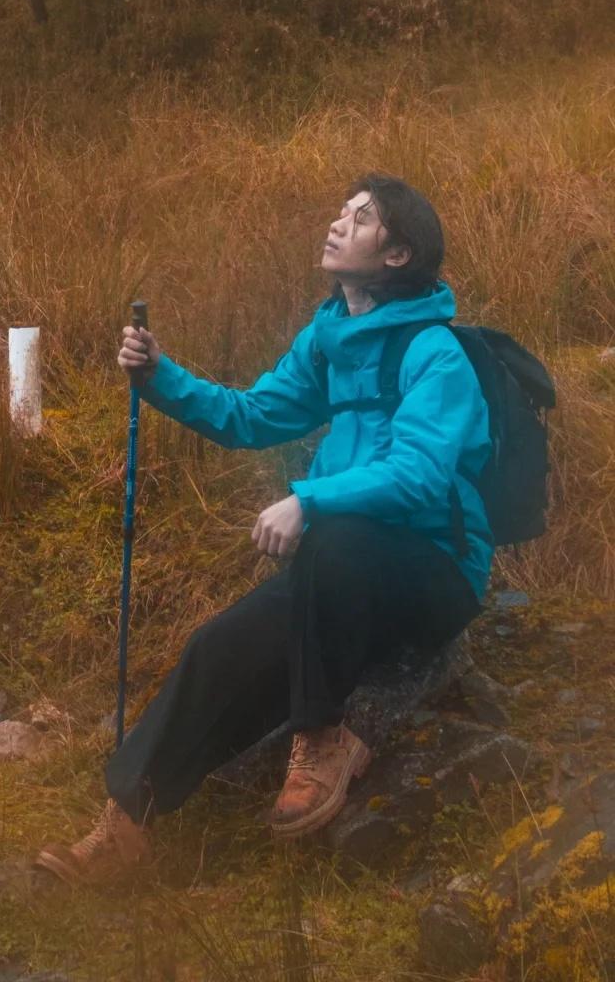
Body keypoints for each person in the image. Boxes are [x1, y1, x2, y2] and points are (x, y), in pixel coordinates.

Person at [34, 174, 492, 886]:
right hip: (339, 577)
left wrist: (308, 500)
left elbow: (420, 477)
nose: (338, 222)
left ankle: (321, 740)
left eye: (362, 218)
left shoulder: (437, 355)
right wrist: (160, 376)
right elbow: (252, 417)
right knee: (219, 647)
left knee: (337, 534)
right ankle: (125, 825)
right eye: (342, 210)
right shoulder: (329, 339)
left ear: (398, 254)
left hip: (433, 571)